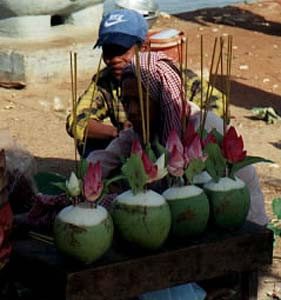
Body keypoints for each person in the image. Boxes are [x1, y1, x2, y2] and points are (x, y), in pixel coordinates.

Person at [87, 50, 268, 227]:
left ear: (162, 98)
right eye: (127, 102)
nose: (132, 111)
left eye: (140, 101)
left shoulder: (204, 125)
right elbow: (103, 159)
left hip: (239, 222)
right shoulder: (140, 130)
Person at [66, 8, 224, 158]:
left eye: (121, 51)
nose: (114, 60)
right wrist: (119, 133)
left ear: (144, 48)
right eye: (108, 52)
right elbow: (76, 120)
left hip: (177, 146)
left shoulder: (171, 75)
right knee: (89, 142)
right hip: (132, 146)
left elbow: (218, 104)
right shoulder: (105, 82)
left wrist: (182, 127)